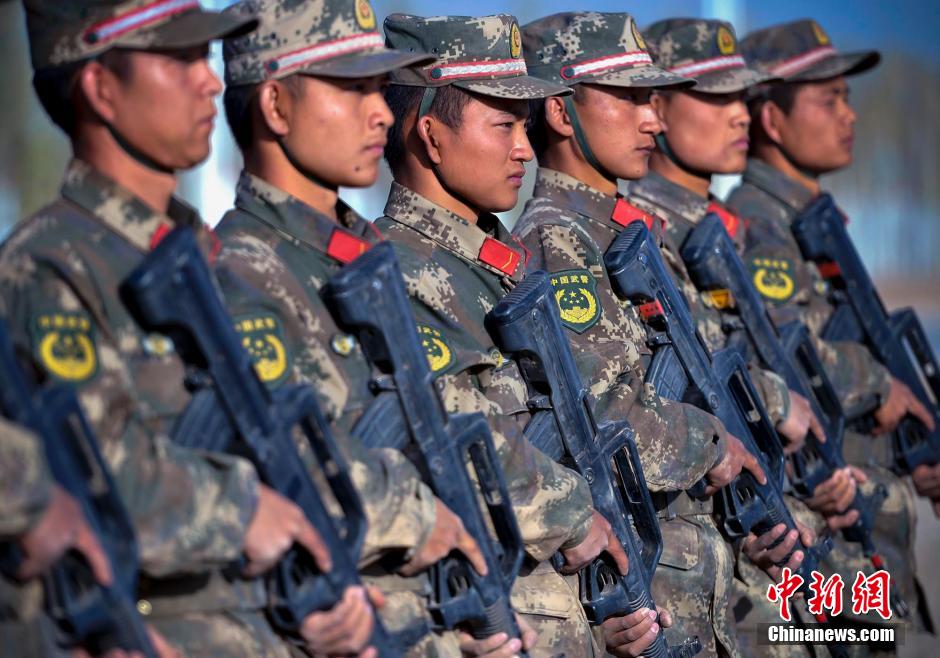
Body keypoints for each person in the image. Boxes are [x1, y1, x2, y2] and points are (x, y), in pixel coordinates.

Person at [0, 2, 371, 655]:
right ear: (101, 88)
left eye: (207, 57)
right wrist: (244, 511)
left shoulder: (207, 257)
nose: (210, 80)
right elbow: (91, 482)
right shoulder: (51, 267)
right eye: (180, 58)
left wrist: (312, 604)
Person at [213, 0, 506, 654]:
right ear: (276, 106)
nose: (380, 111)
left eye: (380, 87)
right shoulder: (240, 272)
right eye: (352, 87)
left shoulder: (369, 258)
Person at [378, 12, 674, 657]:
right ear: (431, 136)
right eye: (503, 124)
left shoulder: (499, 263)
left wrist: (606, 616)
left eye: (525, 124)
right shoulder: (403, 275)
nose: (524, 146)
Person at [512, 12, 793, 656]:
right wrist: (714, 444)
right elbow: (603, 418)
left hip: (694, 587)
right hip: (646, 600)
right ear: (560, 113)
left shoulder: (621, 234)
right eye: (631, 97)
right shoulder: (559, 239)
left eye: (653, 98)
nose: (653, 119)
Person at [727, 17, 934, 638]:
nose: (849, 116)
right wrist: (879, 385)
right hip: (830, 526)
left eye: (848, 98)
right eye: (828, 99)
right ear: (770, 119)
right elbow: (787, 354)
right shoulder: (759, 225)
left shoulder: (814, 220)